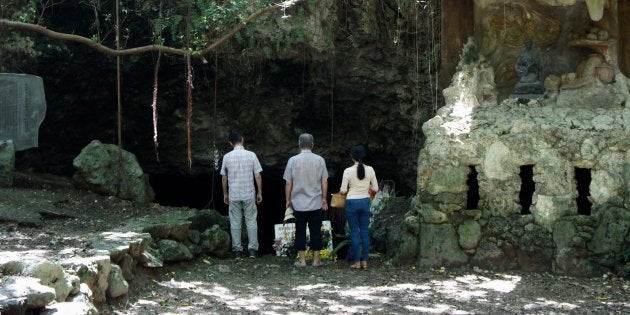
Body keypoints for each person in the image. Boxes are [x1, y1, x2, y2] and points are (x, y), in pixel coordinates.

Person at [283, 133, 328, 267]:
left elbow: (288, 183)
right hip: (315, 202)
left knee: (300, 231)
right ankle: (316, 260)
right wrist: (324, 198)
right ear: (312, 145)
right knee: (316, 231)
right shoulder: (320, 160)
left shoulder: (293, 160)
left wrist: (288, 199)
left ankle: (302, 261)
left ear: (299, 144)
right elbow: (324, 181)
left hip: (298, 203)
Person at [220, 131, 263, 259]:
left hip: (233, 194)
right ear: (242, 140)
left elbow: (223, 178)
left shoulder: (227, 157)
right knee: (251, 221)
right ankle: (252, 251)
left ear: (230, 143)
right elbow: (258, 175)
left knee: (235, 222)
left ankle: (237, 251)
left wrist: (225, 194)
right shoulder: (251, 155)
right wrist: (260, 192)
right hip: (249, 193)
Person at [339, 145, 378, 270]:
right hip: (365, 201)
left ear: (352, 157)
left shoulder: (348, 171)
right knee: (365, 232)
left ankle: (357, 262)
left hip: (351, 202)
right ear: (363, 156)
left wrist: (343, 192)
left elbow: (343, 190)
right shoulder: (370, 169)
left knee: (354, 232)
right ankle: (365, 262)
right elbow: (376, 188)